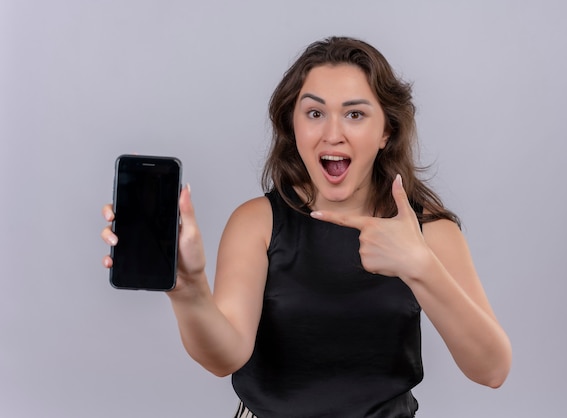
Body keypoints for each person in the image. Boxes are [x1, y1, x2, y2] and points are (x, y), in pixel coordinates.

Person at [101, 36, 512, 418]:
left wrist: (421, 267)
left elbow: (492, 370)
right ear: (292, 126)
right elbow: (224, 358)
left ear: (386, 130)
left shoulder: (431, 232)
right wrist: (188, 289)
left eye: (355, 114)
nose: (332, 134)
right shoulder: (256, 223)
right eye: (315, 113)